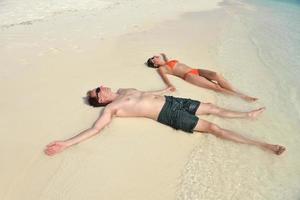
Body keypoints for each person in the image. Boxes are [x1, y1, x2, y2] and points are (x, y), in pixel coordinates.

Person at [44, 85, 285, 156]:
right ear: (100, 100)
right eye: (97, 92)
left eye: (97, 87)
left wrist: (165, 87)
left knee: (211, 107)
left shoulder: (123, 89)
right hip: (168, 114)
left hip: (172, 100)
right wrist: (66, 143)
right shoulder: (114, 109)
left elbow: (144, 93)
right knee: (213, 127)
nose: (101, 87)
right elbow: (94, 129)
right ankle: (262, 145)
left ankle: (247, 115)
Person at [146, 53, 257, 102]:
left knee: (216, 75)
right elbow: (164, 78)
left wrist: (163, 55)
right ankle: (242, 97)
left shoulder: (168, 61)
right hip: (189, 76)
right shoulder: (161, 69)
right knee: (216, 87)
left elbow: (165, 57)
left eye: (153, 57)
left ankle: (235, 93)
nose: (154, 57)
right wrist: (170, 86)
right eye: (153, 59)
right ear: (155, 64)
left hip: (195, 70)